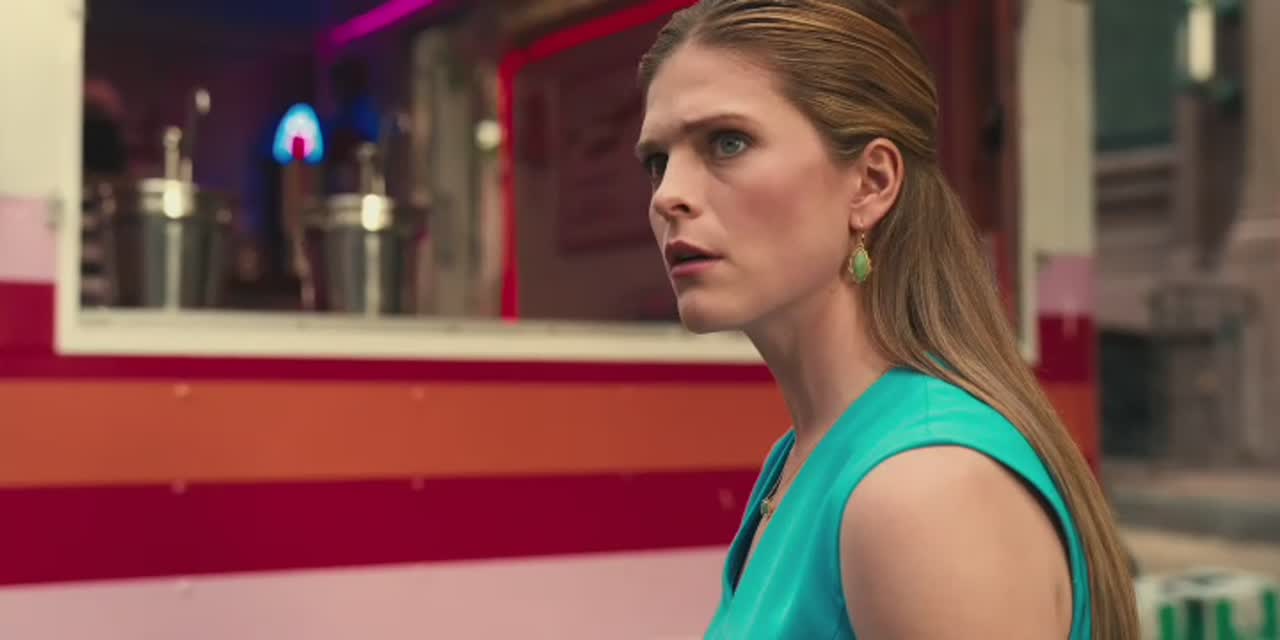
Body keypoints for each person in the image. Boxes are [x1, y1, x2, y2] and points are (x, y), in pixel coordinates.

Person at [633, 0, 1139, 638]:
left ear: (871, 182)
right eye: (658, 162)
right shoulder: (808, 454)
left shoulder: (924, 488)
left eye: (727, 142)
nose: (668, 196)